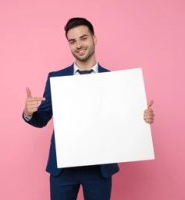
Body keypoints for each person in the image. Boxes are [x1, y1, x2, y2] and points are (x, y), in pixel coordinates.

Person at [23, 17, 154, 200]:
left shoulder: (114, 80)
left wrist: (143, 118)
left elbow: (123, 121)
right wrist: (29, 113)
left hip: (99, 169)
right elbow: (41, 119)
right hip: (63, 169)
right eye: (72, 41)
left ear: (94, 39)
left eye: (83, 38)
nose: (78, 45)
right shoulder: (56, 78)